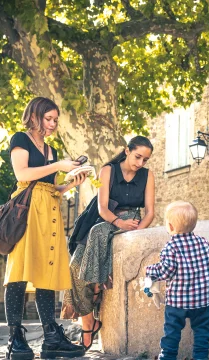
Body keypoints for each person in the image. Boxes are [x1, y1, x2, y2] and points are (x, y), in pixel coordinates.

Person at [5, 97, 86, 359]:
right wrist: (58, 166)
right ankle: (16, 338)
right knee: (19, 272)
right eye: (48, 119)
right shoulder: (21, 139)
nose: (52, 124)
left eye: (55, 120)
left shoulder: (50, 150)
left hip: (49, 210)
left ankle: (51, 336)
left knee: (47, 275)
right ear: (34, 116)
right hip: (26, 212)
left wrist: (71, 183)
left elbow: (52, 187)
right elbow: (23, 175)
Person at [61, 136, 155, 350]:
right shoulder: (108, 170)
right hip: (106, 219)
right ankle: (90, 322)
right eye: (137, 156)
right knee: (74, 266)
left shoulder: (148, 176)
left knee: (98, 235)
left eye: (145, 160)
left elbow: (150, 212)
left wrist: (137, 231)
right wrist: (118, 222)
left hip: (132, 220)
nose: (140, 163)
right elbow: (103, 208)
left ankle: (88, 327)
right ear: (127, 151)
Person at [145, 201, 209, 360]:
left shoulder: (171, 246)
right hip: (202, 301)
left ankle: (167, 357)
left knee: (171, 332)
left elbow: (166, 271)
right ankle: (200, 358)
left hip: (177, 302)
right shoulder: (202, 242)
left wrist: (150, 270)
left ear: (170, 227)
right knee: (202, 332)